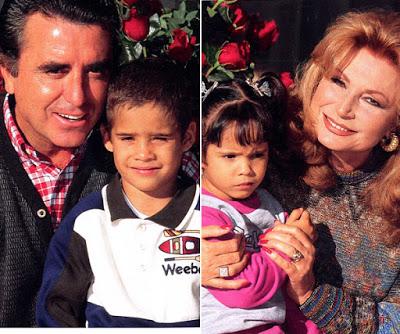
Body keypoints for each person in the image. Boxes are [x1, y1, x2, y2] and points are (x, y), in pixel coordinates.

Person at [202, 9, 400, 333]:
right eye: (338, 81)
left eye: (372, 101)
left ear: (395, 122)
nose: (343, 109)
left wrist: (312, 295)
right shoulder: (269, 139)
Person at [36, 58, 200, 327]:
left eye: (160, 138)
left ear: (187, 137)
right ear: (108, 139)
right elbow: (57, 309)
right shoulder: (88, 222)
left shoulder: (209, 215)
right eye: (128, 138)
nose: (144, 153)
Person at [0, 0, 121, 326]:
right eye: (55, 70)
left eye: (96, 70)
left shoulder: (141, 159)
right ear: (7, 74)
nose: (78, 97)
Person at [201, 75, 318, 334]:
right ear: (202, 157)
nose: (246, 169)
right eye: (230, 156)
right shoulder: (206, 215)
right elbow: (244, 287)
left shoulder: (268, 204)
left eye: (257, 155)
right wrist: (288, 246)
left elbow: (288, 286)